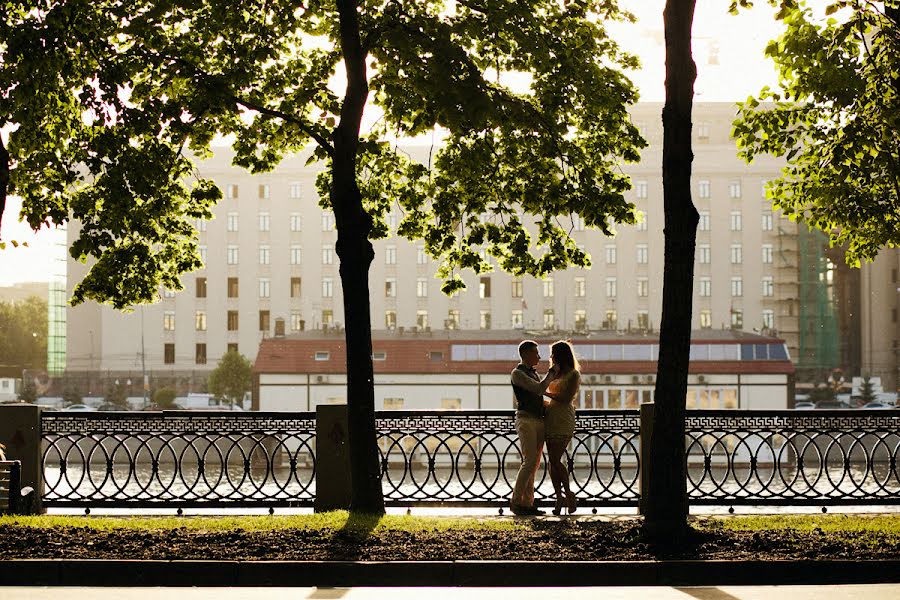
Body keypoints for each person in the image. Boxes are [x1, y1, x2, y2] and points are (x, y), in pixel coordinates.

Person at [509, 339, 557, 516]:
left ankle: (527, 503)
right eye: (536, 353)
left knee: (534, 464)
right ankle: (516, 501)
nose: (539, 356)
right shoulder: (517, 373)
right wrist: (551, 374)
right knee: (529, 462)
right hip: (526, 420)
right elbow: (538, 390)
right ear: (526, 354)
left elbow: (537, 395)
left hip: (537, 420)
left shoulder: (531, 373)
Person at [543, 339, 580, 515]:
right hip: (550, 417)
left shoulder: (573, 374)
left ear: (560, 355)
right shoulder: (555, 374)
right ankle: (559, 497)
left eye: (553, 354)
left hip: (563, 418)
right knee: (552, 461)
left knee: (556, 459)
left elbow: (566, 398)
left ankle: (568, 495)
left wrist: (544, 392)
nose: (550, 357)